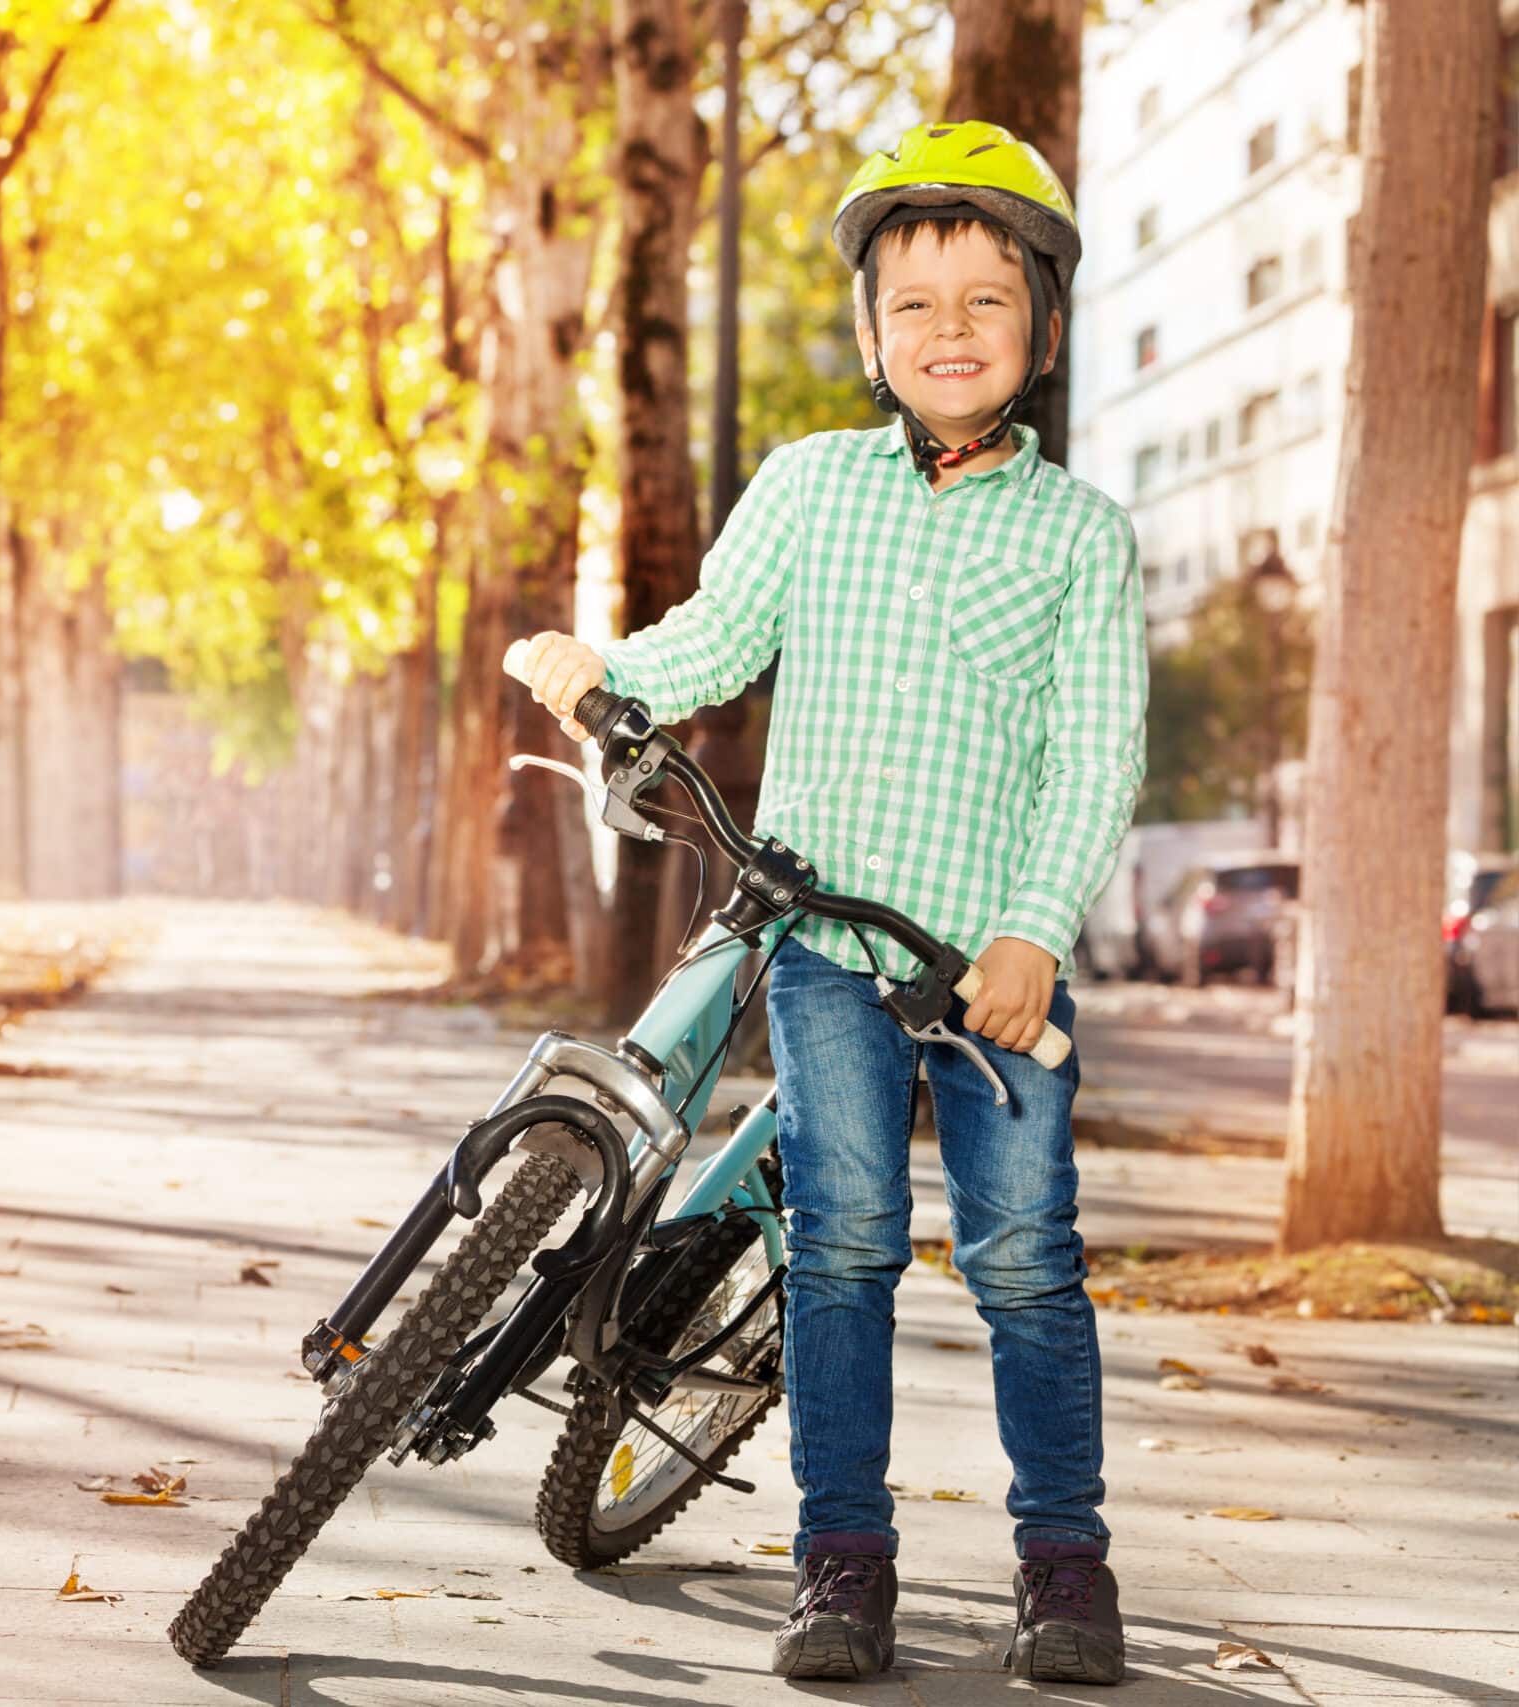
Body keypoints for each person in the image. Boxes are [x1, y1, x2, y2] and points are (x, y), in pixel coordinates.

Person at [513, 120, 1145, 1686]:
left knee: (1021, 1258)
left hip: (991, 966)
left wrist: (1034, 932)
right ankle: (840, 1557)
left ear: (1039, 331)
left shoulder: (1081, 540)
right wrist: (608, 673)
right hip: (827, 950)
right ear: (871, 333)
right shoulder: (811, 490)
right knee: (844, 1242)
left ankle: (1064, 1562)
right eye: (915, 306)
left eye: (985, 302)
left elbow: (1096, 757)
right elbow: (715, 638)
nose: (948, 332)